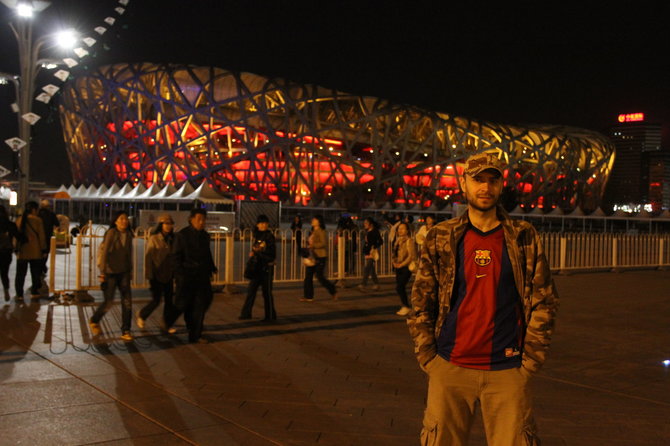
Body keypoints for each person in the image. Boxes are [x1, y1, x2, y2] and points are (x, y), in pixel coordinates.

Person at [407, 152, 559, 445]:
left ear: (502, 186)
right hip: (450, 365)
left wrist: (530, 361)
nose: (485, 188)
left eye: (492, 180)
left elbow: (545, 299)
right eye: (477, 180)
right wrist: (428, 357)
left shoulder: (522, 236)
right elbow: (421, 299)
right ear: (463, 184)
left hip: (507, 370)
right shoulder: (442, 236)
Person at [165, 208, 217, 343]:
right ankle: (169, 321)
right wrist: (179, 275)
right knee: (182, 304)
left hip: (201, 276)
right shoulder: (182, 235)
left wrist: (211, 268)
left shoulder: (205, 236)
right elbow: (175, 257)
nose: (201, 222)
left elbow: (207, 254)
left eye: (204, 219)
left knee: (203, 302)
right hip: (187, 276)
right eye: (199, 219)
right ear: (191, 219)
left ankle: (195, 334)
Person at [89, 210, 134, 341]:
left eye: (126, 219)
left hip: (124, 271)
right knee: (108, 302)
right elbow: (105, 253)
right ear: (115, 221)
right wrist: (102, 272)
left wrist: (130, 270)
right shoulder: (111, 233)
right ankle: (94, 320)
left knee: (127, 302)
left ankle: (126, 330)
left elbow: (129, 253)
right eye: (121, 219)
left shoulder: (129, 234)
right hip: (110, 272)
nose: (124, 221)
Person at [137, 214, 176, 332]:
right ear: (161, 225)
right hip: (156, 274)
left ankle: (166, 324)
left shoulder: (173, 239)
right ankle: (142, 314)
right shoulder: (154, 239)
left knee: (169, 300)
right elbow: (148, 257)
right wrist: (149, 274)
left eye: (170, 224)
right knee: (156, 300)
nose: (168, 226)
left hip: (168, 273)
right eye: (166, 224)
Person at [240, 214, 277, 321]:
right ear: (257, 225)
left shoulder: (269, 236)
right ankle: (246, 313)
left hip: (266, 268)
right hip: (257, 267)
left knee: (267, 293)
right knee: (251, 291)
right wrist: (254, 253)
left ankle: (270, 316)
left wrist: (257, 253)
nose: (263, 225)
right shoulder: (256, 236)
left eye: (265, 223)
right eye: (261, 223)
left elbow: (271, 255)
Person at [301, 215, 338, 302]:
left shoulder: (321, 231)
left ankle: (333, 290)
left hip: (320, 257)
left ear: (319, 222)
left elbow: (323, 243)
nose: (312, 220)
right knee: (308, 276)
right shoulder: (313, 231)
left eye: (314, 219)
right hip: (312, 256)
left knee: (320, 276)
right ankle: (308, 296)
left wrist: (313, 245)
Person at [15, 201, 47, 300]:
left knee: (20, 273)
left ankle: (19, 294)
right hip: (35, 251)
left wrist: (15, 248)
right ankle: (34, 292)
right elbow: (41, 236)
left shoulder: (19, 220)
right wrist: (44, 249)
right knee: (35, 273)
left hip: (22, 251)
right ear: (33, 209)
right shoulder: (37, 220)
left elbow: (15, 236)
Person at [391, 221, 416, 316]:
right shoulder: (397, 240)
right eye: (399, 228)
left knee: (400, 286)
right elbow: (394, 252)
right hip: (398, 266)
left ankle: (406, 306)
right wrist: (394, 262)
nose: (400, 230)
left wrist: (402, 264)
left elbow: (412, 256)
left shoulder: (409, 241)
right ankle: (404, 306)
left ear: (407, 230)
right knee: (399, 287)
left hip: (405, 267)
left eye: (402, 228)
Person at [358, 217, 382, 291]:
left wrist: (374, 247)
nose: (364, 224)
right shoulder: (367, 231)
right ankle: (376, 284)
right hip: (368, 253)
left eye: (366, 223)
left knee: (367, 269)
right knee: (371, 270)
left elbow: (381, 241)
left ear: (371, 224)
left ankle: (363, 284)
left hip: (372, 253)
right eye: (364, 223)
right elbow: (367, 243)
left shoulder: (375, 231)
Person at [0, 205, 19, 301]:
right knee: (4, 272)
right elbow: (18, 236)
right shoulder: (10, 224)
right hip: (6, 251)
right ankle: (6, 289)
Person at [38, 200, 59, 276]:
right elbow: (57, 223)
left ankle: (40, 266)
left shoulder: (37, 213)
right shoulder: (51, 214)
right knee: (46, 252)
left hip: (37, 237)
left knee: (38, 252)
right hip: (47, 236)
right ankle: (43, 265)